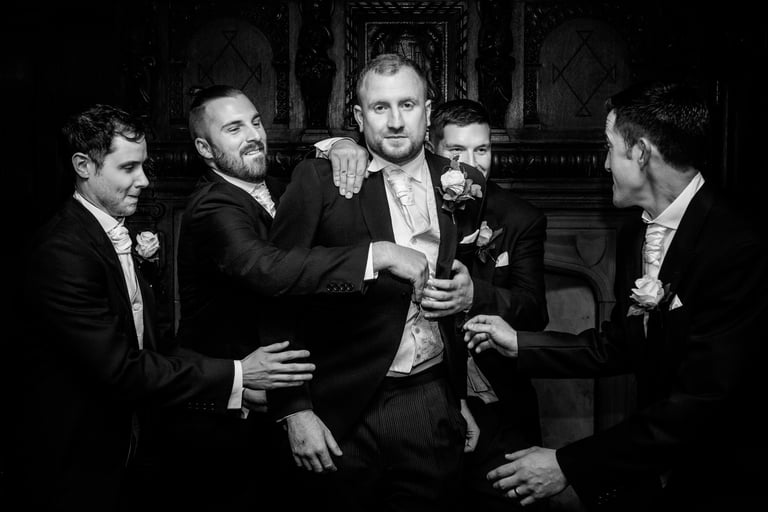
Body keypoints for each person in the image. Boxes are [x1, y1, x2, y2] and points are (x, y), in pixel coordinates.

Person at [464, 81, 768, 511]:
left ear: (641, 153)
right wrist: (521, 343)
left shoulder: (737, 245)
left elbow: (703, 402)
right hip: (655, 473)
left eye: (609, 147)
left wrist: (568, 464)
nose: (605, 163)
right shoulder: (636, 230)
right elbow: (622, 344)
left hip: (726, 476)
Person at [8, 104, 316, 511]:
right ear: (83, 166)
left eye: (144, 166)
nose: (145, 180)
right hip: (75, 458)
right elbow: (122, 369)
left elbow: (153, 346)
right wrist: (239, 373)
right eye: (129, 168)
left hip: (133, 449)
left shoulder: (106, 233)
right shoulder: (62, 252)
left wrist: (236, 392)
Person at [144, 85, 432, 510]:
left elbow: (304, 163)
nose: (253, 135)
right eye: (234, 128)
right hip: (220, 421)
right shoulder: (212, 208)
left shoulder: (274, 186)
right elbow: (267, 268)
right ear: (205, 147)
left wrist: (339, 143)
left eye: (256, 122)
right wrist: (381, 254)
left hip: (277, 404)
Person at [266, 53, 486, 511]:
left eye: (407, 105)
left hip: (428, 397)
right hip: (339, 404)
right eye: (380, 108)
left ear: (428, 110)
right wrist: (293, 409)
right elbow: (276, 292)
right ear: (360, 117)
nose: (395, 121)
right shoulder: (321, 178)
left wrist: (456, 396)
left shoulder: (464, 181)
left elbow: (461, 280)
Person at [321, 98, 550, 511]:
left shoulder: (519, 217)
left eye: (482, 150)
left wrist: (475, 295)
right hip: (417, 395)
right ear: (431, 147)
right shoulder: (400, 194)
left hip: (494, 396)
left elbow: (534, 311)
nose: (472, 164)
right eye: (457, 152)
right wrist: (338, 143)